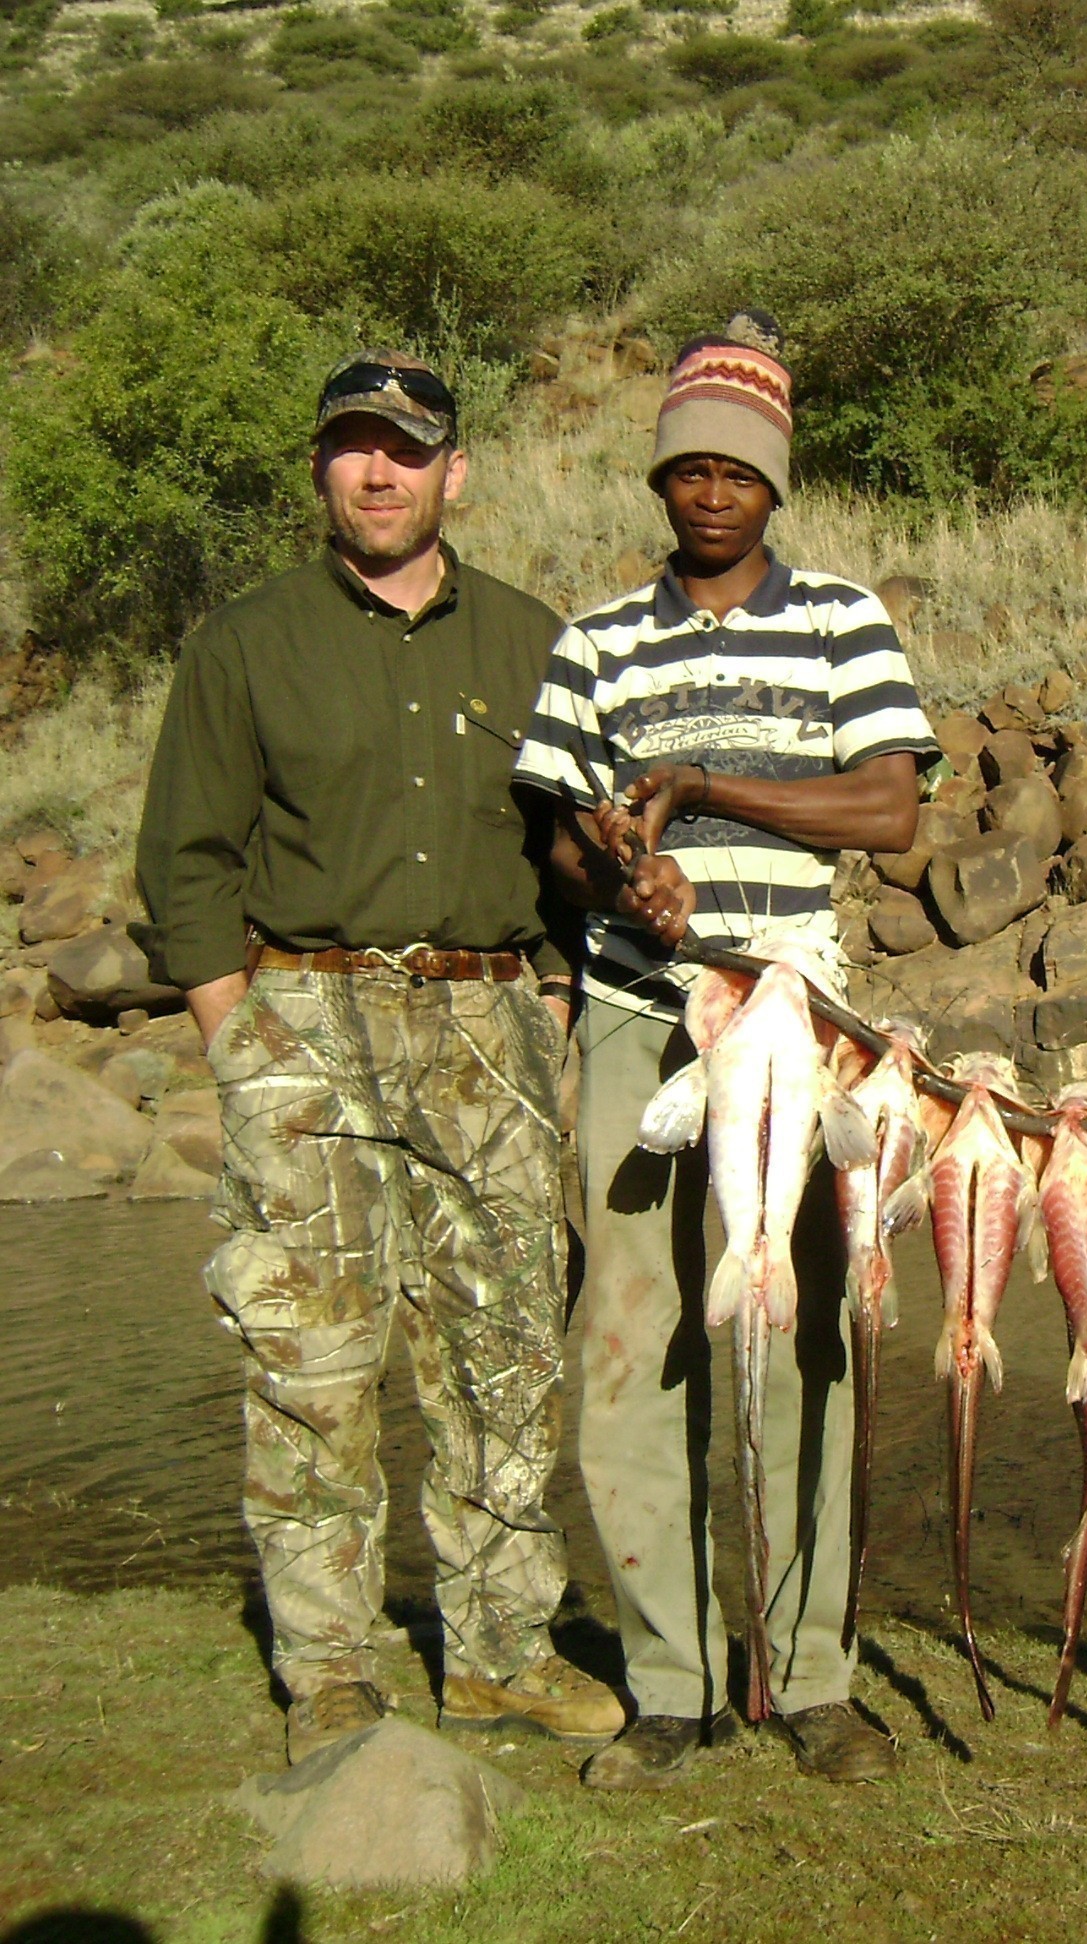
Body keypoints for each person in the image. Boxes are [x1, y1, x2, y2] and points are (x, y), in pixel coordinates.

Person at [135, 351, 622, 1763]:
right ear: (322, 472)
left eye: (405, 450)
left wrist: (553, 1002)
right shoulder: (244, 643)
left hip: (491, 1022)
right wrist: (244, 1042)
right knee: (312, 1367)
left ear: (452, 471)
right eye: (353, 448)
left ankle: (499, 1650)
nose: (379, 473)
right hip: (307, 1019)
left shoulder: (535, 641)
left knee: (505, 1354)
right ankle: (332, 1671)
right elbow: (190, 861)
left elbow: (579, 855)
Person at [512, 315, 937, 1791]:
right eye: (686, 467)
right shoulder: (594, 641)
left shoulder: (841, 622)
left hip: (793, 1025)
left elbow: (888, 810)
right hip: (638, 1013)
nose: (710, 492)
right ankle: (672, 1681)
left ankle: (809, 1673)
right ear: (659, 480)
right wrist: (616, 865)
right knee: (633, 1348)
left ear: (775, 485)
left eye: (737, 471)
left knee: (799, 1334)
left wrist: (704, 787)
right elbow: (556, 838)